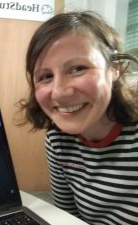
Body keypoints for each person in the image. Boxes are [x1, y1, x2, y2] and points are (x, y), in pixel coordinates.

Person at [18, 11, 138, 225]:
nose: (59, 92)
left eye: (78, 68)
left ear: (115, 69)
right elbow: (69, 219)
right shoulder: (57, 140)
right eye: (45, 76)